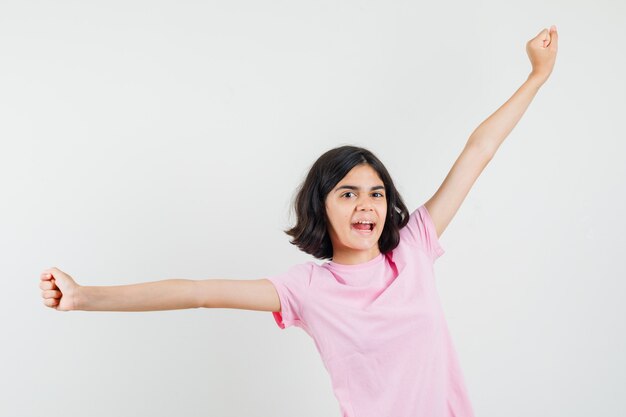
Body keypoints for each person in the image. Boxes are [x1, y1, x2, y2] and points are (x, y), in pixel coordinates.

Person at [39, 26, 558, 417]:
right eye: (348, 193)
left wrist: (537, 75)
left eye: (376, 194)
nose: (366, 206)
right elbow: (197, 290)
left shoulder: (415, 247)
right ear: (321, 206)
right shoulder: (309, 289)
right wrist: (86, 296)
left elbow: (479, 150)